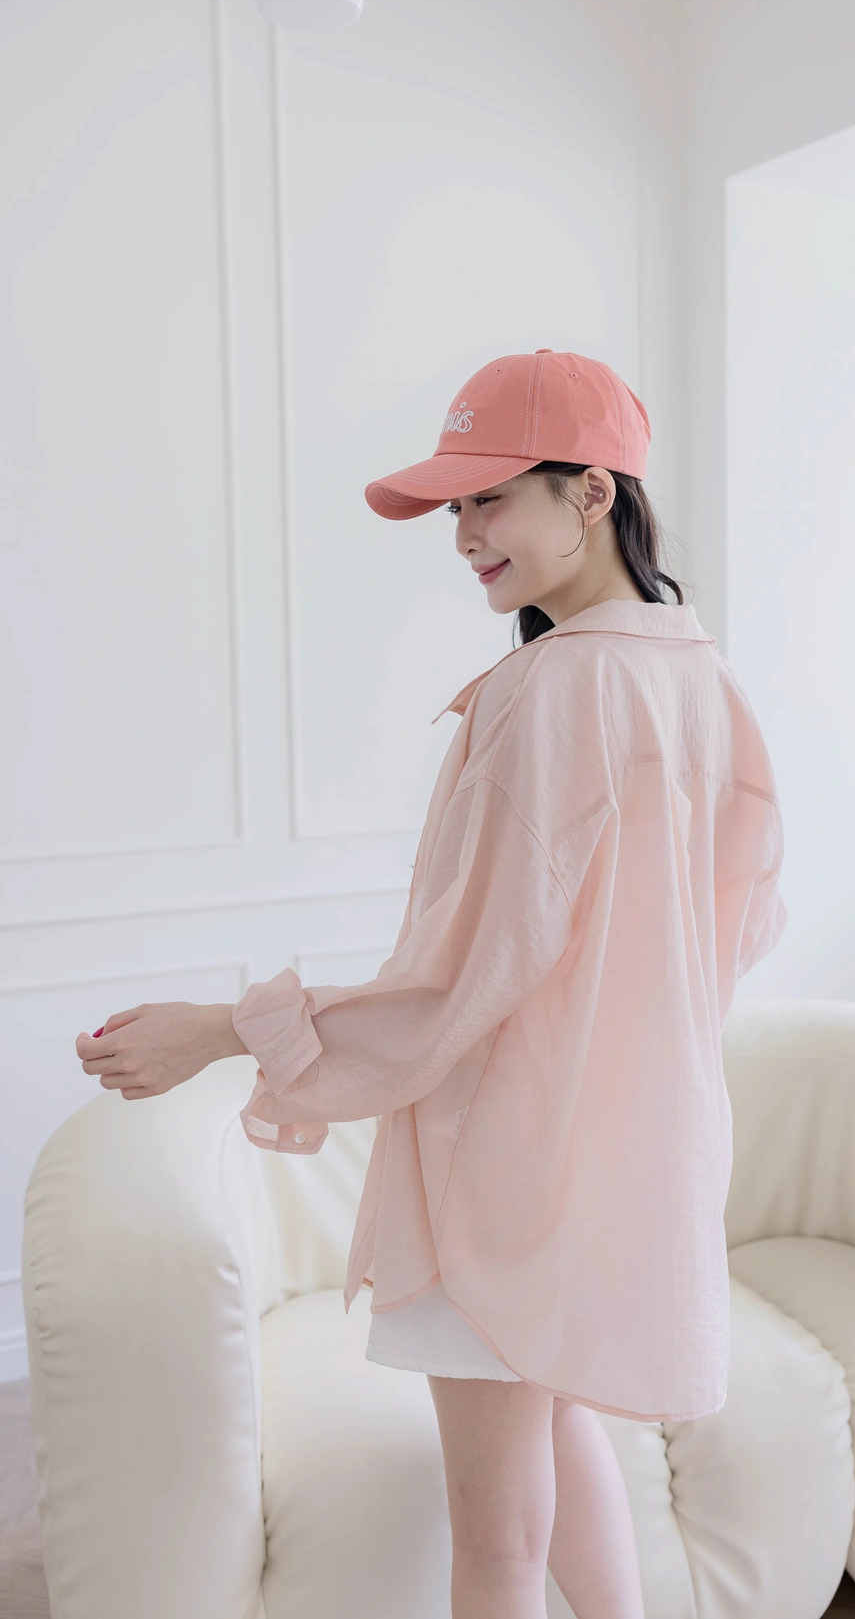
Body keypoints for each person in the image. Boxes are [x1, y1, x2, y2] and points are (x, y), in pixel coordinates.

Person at [74, 348, 788, 1619]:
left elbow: (456, 981)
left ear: (591, 491)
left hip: (509, 1163)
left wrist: (220, 1028)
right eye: (454, 506)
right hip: (629, 1152)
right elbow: (737, 925)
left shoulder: (551, 686)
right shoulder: (703, 679)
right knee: (556, 1420)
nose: (462, 535)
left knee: (494, 1534)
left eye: (488, 497)